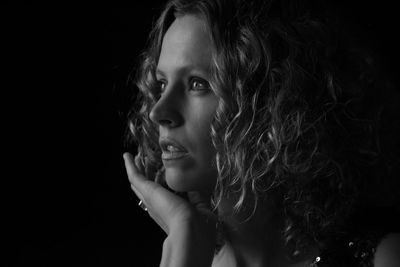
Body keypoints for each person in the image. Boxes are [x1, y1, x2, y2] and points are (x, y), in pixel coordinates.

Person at [123, 0, 400, 266]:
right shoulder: (180, 254)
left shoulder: (384, 259)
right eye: (161, 84)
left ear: (273, 104)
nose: (158, 112)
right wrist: (185, 237)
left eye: (198, 83)